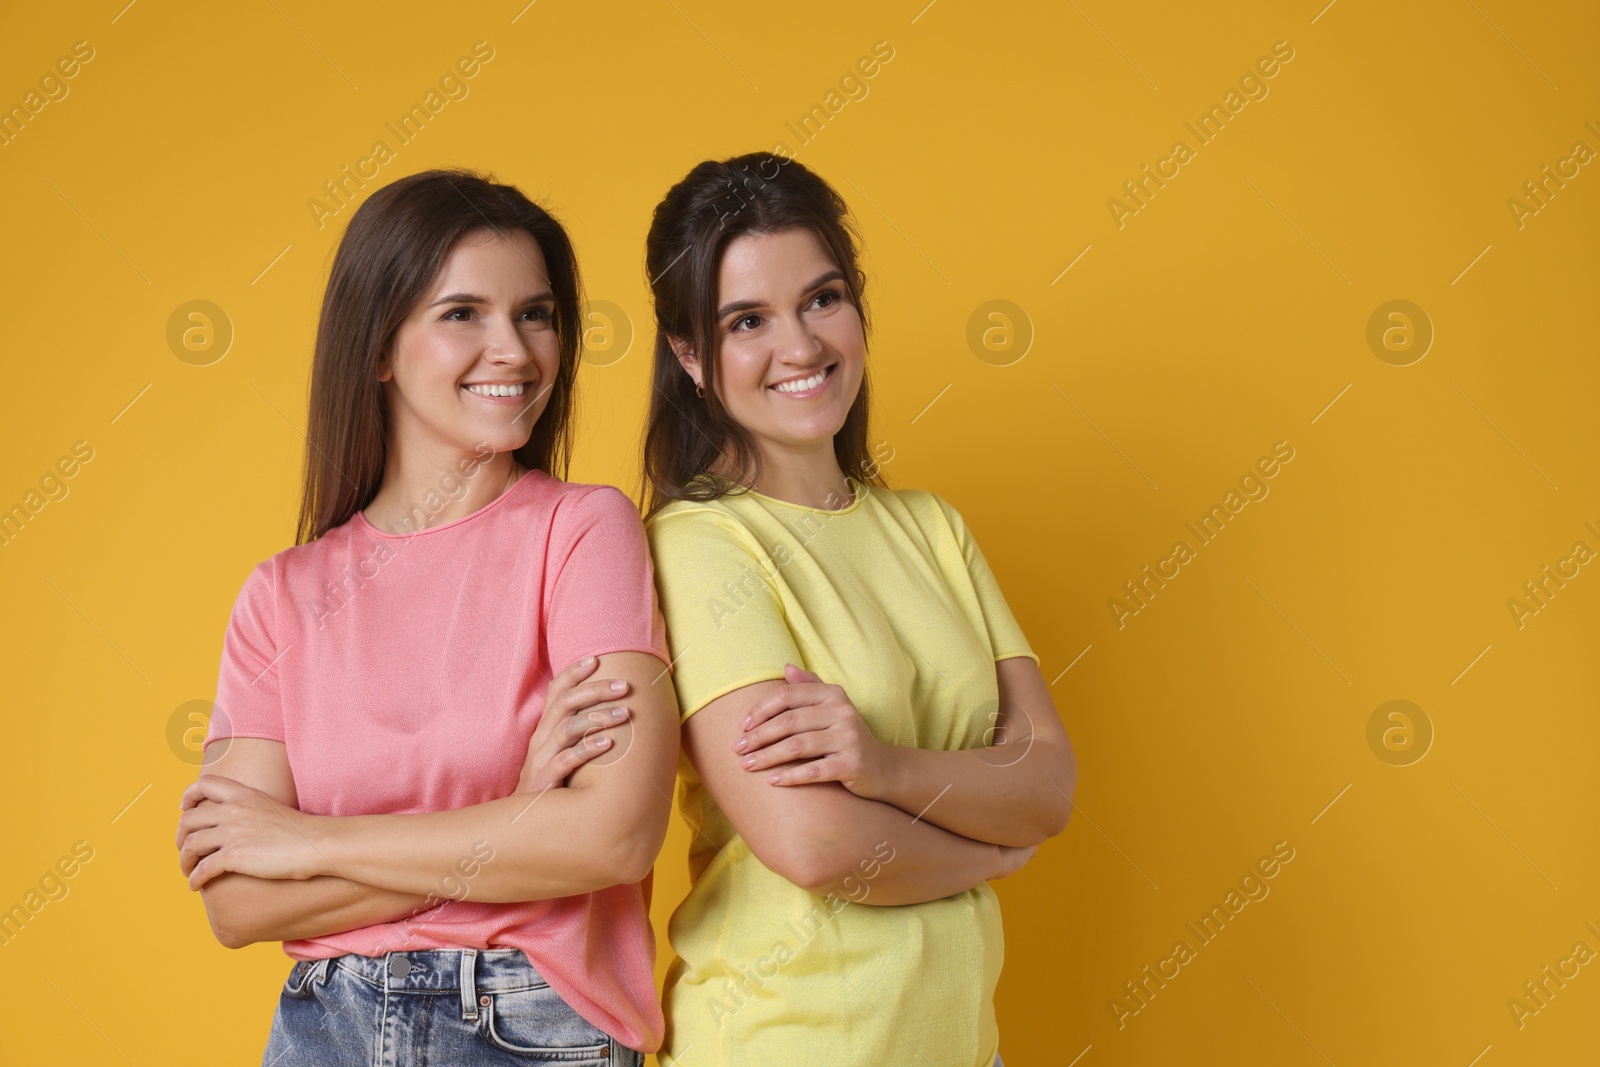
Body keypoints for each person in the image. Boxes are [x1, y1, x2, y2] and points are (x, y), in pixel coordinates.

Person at [174, 169, 678, 1067]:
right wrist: (517, 818)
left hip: (523, 1025)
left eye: (535, 313)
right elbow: (239, 900)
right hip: (321, 1031)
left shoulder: (583, 531)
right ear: (378, 348)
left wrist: (310, 844)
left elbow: (613, 834)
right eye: (463, 314)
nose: (516, 350)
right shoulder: (281, 595)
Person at [638, 152, 1078, 1067]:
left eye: (822, 298)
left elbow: (1047, 785)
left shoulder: (932, 529)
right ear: (688, 354)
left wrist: (881, 766)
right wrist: (988, 855)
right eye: (747, 320)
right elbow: (815, 841)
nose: (800, 347)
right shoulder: (698, 546)